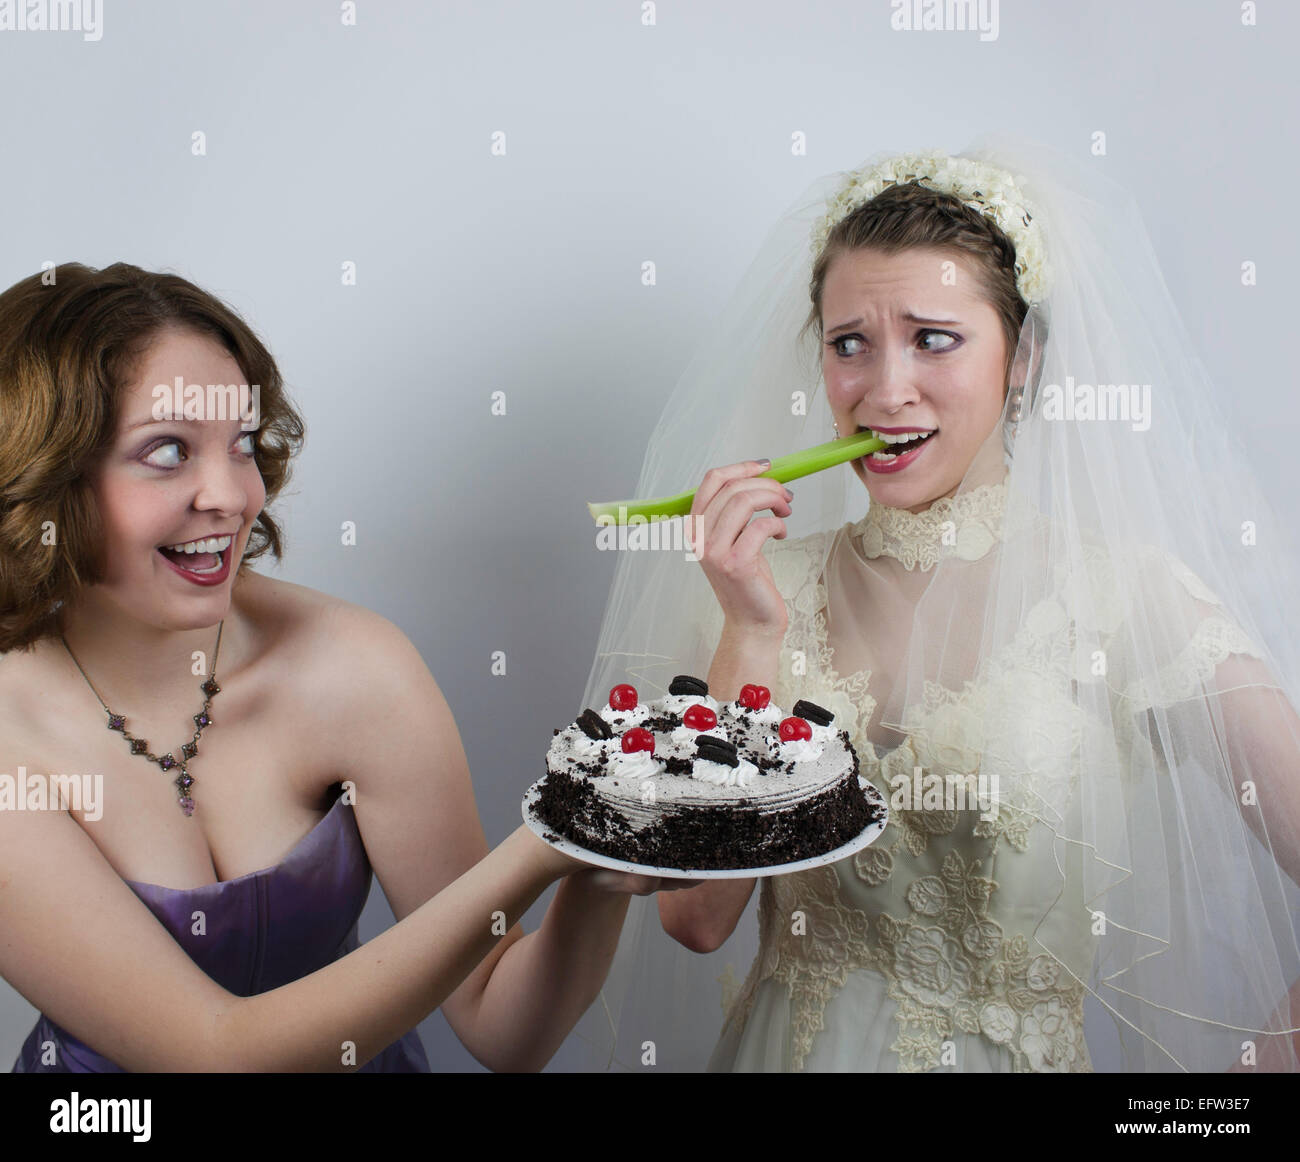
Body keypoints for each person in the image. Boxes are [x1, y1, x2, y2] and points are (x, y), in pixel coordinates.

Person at [576, 137, 1300, 1072]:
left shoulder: (1126, 596)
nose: (885, 392)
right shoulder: (756, 588)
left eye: (935, 339)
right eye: (850, 345)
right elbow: (696, 918)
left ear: (1023, 358)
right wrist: (752, 633)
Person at [0, 263, 677, 1073]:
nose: (229, 494)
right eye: (167, 451)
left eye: (241, 444)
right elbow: (213, 1054)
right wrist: (540, 848)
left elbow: (506, 1028)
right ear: (47, 477)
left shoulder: (353, 665)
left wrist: (597, 871)